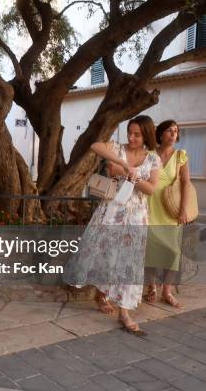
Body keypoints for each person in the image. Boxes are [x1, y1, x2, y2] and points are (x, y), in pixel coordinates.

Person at [64, 115, 160, 335]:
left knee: (129, 260)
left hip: (136, 214)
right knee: (106, 254)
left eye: (137, 134)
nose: (132, 137)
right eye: (130, 132)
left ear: (146, 135)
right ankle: (102, 294)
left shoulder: (153, 159)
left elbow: (152, 189)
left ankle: (124, 311)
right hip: (112, 210)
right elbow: (95, 145)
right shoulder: (117, 148)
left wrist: (132, 177)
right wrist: (125, 165)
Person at [144, 120, 190, 308]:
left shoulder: (181, 156)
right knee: (151, 250)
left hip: (170, 209)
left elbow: (186, 183)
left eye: (176, 131)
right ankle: (152, 287)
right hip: (149, 206)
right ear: (161, 134)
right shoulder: (148, 154)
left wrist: (183, 209)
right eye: (170, 131)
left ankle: (167, 290)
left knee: (173, 252)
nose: (173, 134)